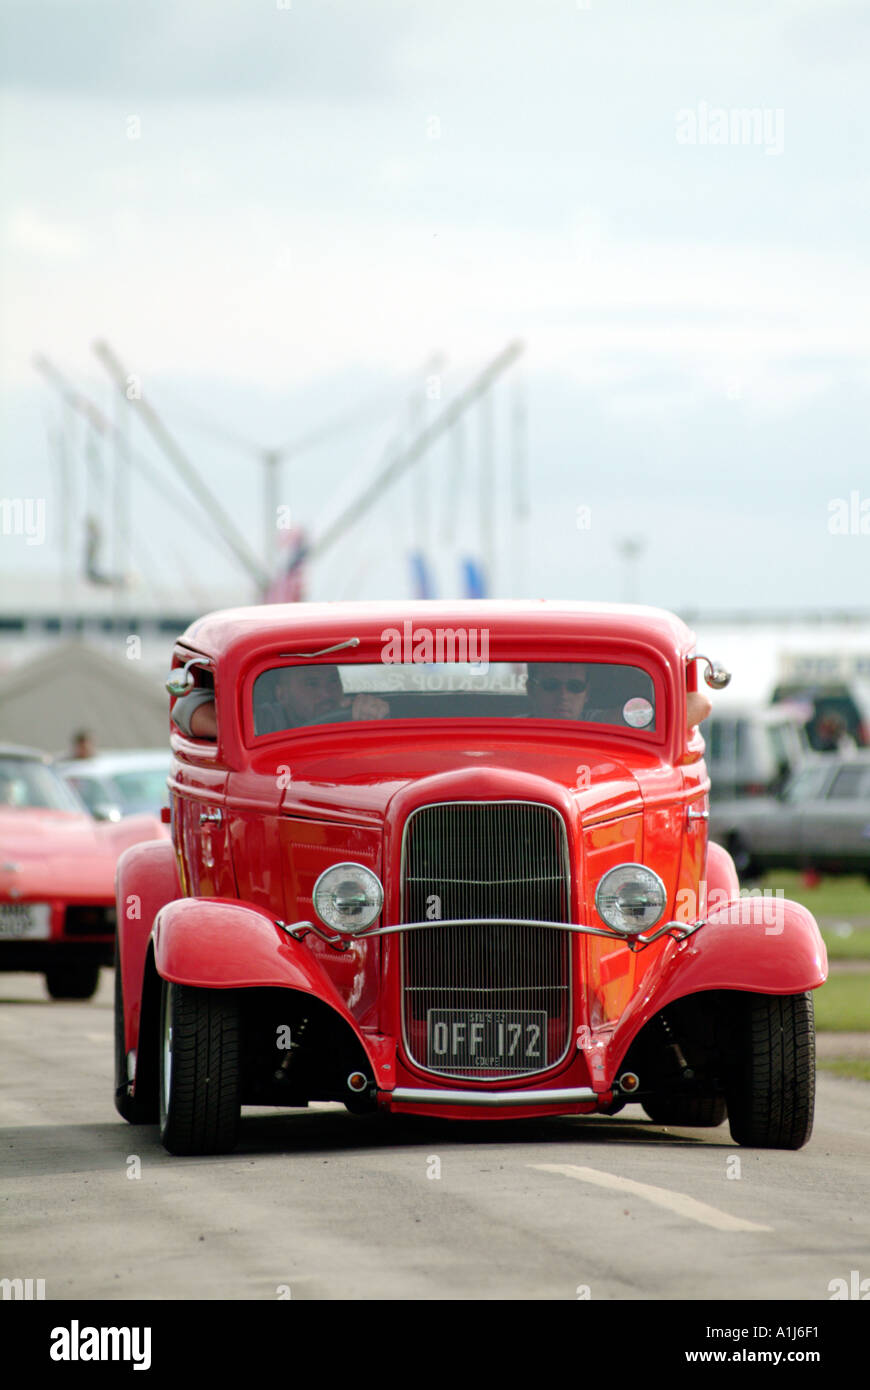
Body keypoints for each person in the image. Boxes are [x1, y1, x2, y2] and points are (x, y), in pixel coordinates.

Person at [172, 665, 389, 740]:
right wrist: (240, 734)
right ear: (282, 694)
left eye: (333, 681)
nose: (326, 693)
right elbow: (184, 709)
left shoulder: (354, 716)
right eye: (311, 684)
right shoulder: (267, 721)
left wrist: (375, 718)